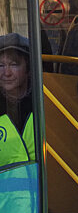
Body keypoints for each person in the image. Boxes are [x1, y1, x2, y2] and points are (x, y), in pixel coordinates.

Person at [0, 33, 34, 167]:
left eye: (14, 64)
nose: (7, 73)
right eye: (0, 66)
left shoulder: (46, 102)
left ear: (29, 69)